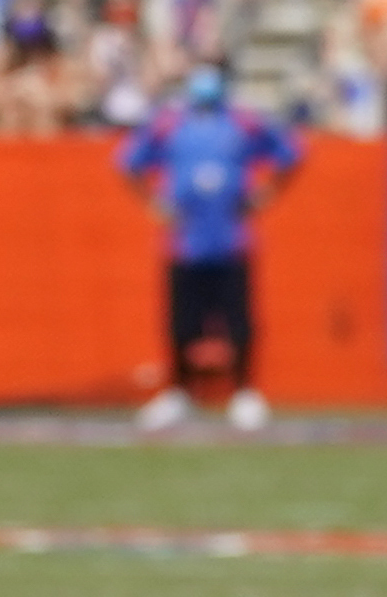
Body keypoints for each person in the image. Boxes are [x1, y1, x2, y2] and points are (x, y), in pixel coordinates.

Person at [121, 66, 295, 433]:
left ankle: (244, 393)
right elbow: (130, 162)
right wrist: (153, 202)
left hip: (230, 237)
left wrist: (265, 193)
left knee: (237, 321)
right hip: (185, 241)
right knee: (181, 324)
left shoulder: (244, 122)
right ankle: (180, 393)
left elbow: (288, 154)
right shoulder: (168, 123)